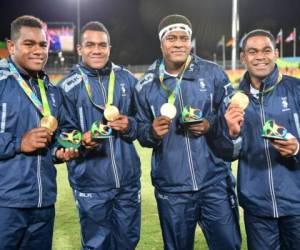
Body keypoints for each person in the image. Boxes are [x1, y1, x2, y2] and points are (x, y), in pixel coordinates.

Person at [134, 14, 241, 250]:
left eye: (184, 38)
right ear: (161, 43)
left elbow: (232, 119)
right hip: (172, 189)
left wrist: (209, 125)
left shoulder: (213, 73)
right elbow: (140, 131)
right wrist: (151, 133)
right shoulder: (145, 85)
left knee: (229, 246)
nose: (179, 43)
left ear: (190, 41)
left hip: (214, 182)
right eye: (172, 38)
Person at [59, 21, 141, 250]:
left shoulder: (126, 79)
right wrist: (81, 141)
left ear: (109, 48)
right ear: (79, 49)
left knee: (128, 243)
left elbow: (142, 123)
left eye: (102, 45)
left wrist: (130, 125)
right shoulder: (67, 86)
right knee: (97, 245)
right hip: (90, 183)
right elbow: (61, 135)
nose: (97, 50)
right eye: (90, 45)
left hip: (127, 182)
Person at [0, 15, 78, 250]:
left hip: (44, 202)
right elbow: (23, 143)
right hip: (6, 205)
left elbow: (55, 141)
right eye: (29, 44)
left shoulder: (52, 91)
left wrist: (61, 152)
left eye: (43, 45)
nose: (38, 50)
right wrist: (18, 142)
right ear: (11, 46)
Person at [223, 29, 300, 249]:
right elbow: (227, 153)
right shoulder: (232, 100)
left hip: (297, 203)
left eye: (266, 50)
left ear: (275, 53)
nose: (260, 56)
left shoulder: (296, 89)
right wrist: (231, 135)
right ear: (243, 57)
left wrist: (297, 149)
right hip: (257, 207)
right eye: (252, 51)